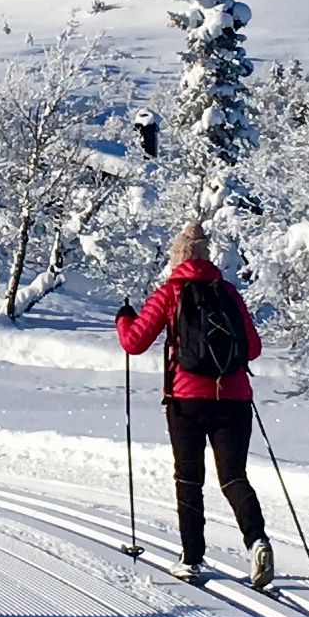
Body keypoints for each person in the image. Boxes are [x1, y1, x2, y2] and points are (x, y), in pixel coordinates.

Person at [117, 224, 271, 586]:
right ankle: (257, 541)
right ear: (207, 257)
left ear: (178, 259)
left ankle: (192, 558)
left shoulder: (170, 292)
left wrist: (123, 318)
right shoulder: (229, 292)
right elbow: (253, 349)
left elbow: (134, 343)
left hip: (186, 400)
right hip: (235, 399)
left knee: (189, 478)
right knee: (233, 477)